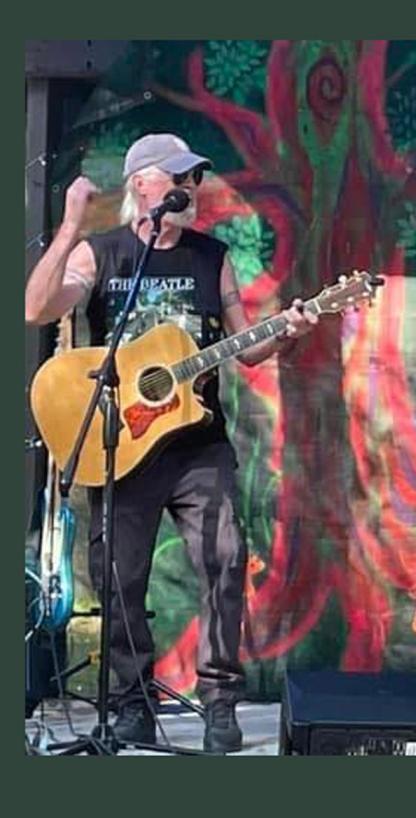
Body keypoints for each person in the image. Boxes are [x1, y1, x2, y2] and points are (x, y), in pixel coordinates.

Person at [24, 133, 316, 753]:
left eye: (194, 177)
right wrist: (72, 225)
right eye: (177, 177)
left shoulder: (213, 258)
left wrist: (286, 332)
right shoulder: (103, 254)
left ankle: (219, 702)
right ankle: (132, 703)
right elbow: (38, 308)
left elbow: (250, 348)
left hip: (197, 445)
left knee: (225, 558)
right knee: (118, 577)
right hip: (123, 441)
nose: (191, 189)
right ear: (141, 187)